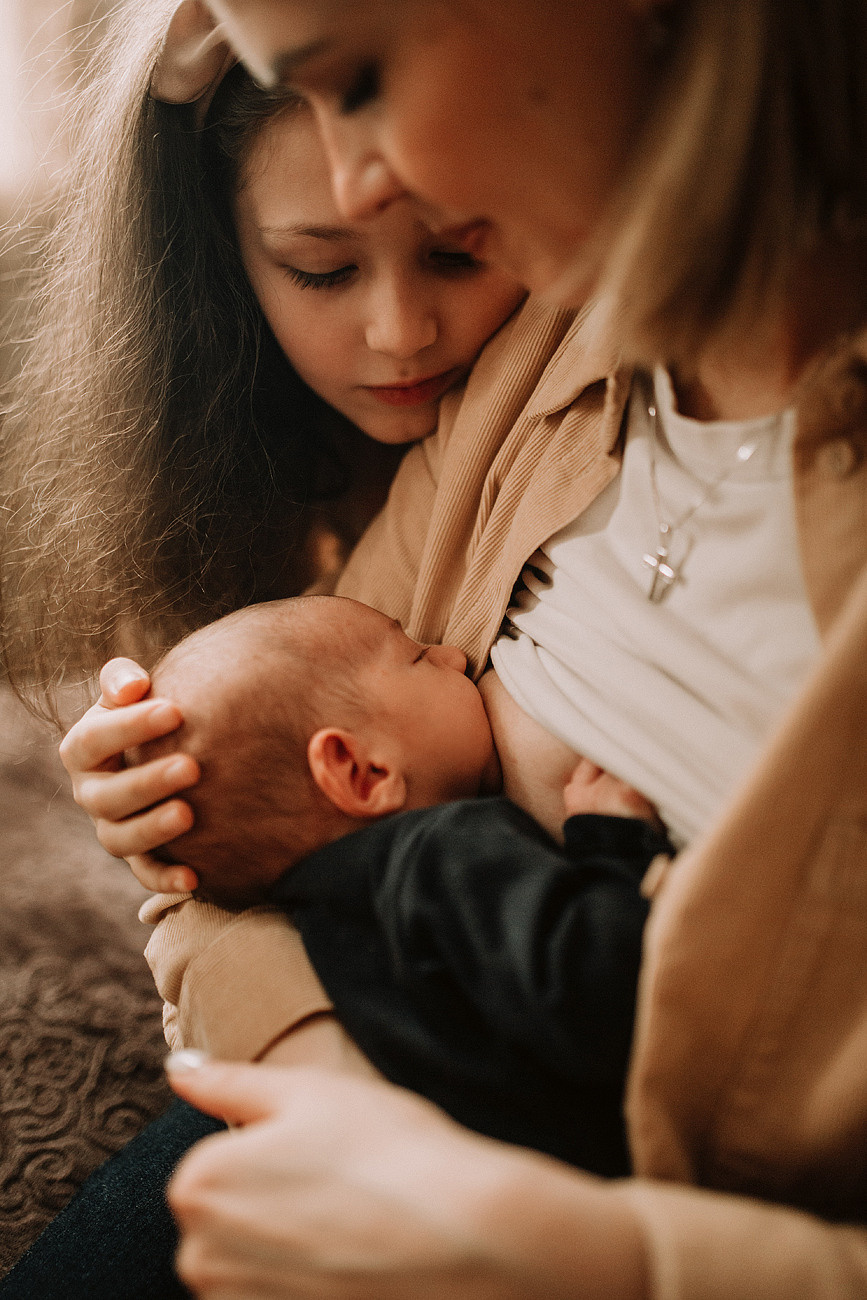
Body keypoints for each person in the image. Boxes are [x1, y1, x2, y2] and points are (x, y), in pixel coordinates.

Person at [29, 0, 867, 1298]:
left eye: (360, 77)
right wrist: (349, 1111)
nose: (374, 174)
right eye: (322, 261)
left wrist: (616, 1261)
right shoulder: (535, 358)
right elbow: (224, 878)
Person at [0, 0, 525, 714]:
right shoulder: (207, 467)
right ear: (225, 253)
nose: (400, 333)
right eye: (322, 270)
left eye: (456, 254)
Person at [134, 593, 668, 1172]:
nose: (453, 656)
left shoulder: (324, 921)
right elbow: (605, 995)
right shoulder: (442, 858)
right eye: (417, 656)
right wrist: (612, 841)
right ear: (361, 772)